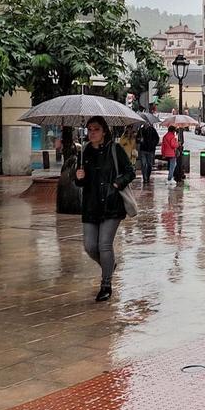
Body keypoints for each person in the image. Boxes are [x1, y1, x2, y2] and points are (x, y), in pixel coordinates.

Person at [74, 116, 135, 302]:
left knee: (104, 244)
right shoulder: (84, 152)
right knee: (90, 246)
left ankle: (106, 284)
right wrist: (79, 176)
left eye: (96, 129)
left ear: (104, 131)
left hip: (112, 204)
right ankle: (109, 265)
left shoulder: (115, 150)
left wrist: (117, 184)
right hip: (91, 205)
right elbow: (80, 182)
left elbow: (130, 172)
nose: (92, 133)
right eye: (89, 129)